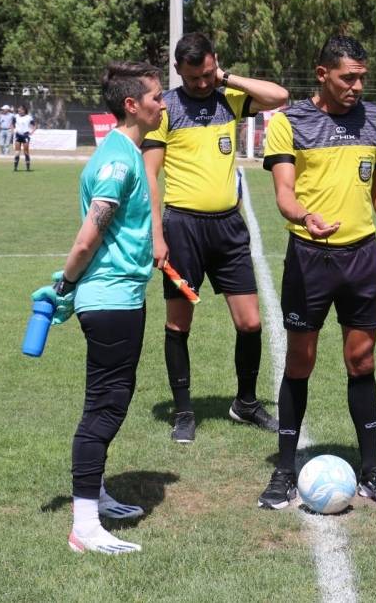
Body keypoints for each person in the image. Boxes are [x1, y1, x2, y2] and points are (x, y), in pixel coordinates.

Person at [257, 35, 376, 510]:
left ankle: (372, 470)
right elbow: (284, 193)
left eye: (361, 77)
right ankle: (283, 470)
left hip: (363, 258)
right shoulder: (288, 122)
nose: (356, 86)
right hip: (311, 258)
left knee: (362, 361)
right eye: (347, 77)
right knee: (300, 362)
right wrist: (303, 216)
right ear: (322, 74)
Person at [31, 61, 166, 554]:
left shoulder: (122, 151)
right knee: (105, 407)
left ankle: (97, 497)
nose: (163, 103)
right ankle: (84, 527)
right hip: (110, 299)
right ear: (132, 105)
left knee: (110, 398)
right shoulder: (118, 161)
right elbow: (89, 235)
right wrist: (66, 283)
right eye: (156, 96)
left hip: (121, 295)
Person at [141, 32, 288, 443]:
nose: (202, 84)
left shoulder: (229, 97)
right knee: (178, 323)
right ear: (177, 71)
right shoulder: (165, 109)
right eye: (193, 78)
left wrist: (226, 77)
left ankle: (245, 403)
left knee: (251, 321)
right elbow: (151, 175)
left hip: (228, 229)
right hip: (182, 229)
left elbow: (280, 96)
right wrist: (157, 234)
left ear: (215, 63)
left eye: (207, 74)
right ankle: (184, 411)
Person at [12, 105, 37, 171]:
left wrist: (31, 132)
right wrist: (13, 131)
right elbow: (12, 124)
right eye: (18, 111)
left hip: (25, 135)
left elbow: (35, 125)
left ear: (24, 110)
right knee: (17, 152)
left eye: (20, 110)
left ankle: (28, 168)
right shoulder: (16, 116)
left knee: (26, 152)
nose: (19, 112)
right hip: (18, 135)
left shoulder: (28, 118)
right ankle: (15, 168)